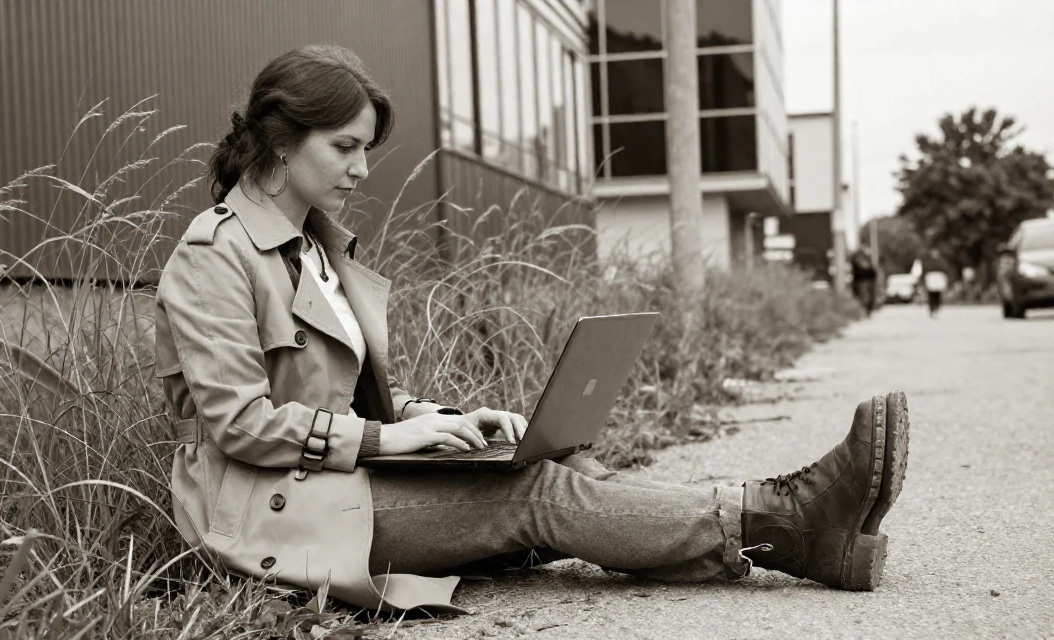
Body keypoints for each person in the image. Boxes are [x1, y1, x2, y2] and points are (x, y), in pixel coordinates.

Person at [154, 45, 911, 614]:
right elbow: (239, 423)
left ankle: (786, 529)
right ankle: (787, 520)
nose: (360, 169)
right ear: (283, 140)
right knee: (536, 494)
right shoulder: (214, 255)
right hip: (263, 513)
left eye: (366, 151)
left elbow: (348, 397)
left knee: (557, 470)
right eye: (344, 147)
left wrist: (434, 420)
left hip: (328, 483)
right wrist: (390, 441)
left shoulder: (317, 247)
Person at [920, 249, 951, 317]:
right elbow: (924, 271)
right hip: (931, 279)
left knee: (938, 294)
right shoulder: (928, 262)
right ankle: (932, 308)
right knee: (931, 294)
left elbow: (946, 270)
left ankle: (937, 307)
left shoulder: (941, 261)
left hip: (939, 279)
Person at [850, 248, 878, 316]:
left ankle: (867, 310)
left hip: (868, 280)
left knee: (869, 297)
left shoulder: (867, 259)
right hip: (861, 281)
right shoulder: (857, 259)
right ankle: (864, 311)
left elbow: (873, 271)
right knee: (864, 297)